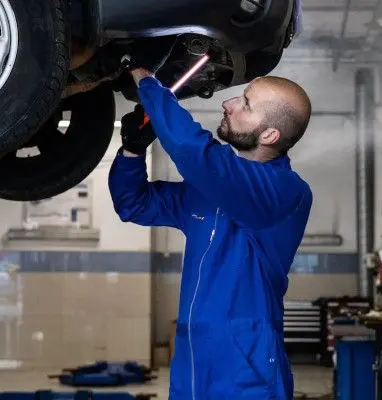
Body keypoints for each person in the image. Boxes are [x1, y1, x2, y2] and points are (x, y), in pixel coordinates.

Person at [108, 61, 314, 400]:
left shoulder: (285, 192)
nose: (228, 103)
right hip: (192, 360)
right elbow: (134, 203)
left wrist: (147, 81)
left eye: (245, 103)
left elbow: (194, 152)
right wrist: (132, 149)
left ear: (269, 135)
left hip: (246, 364)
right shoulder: (209, 192)